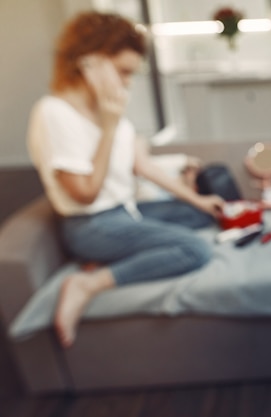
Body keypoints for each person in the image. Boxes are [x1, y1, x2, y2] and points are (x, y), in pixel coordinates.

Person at [27, 11, 224, 348]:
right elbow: (86, 194)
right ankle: (87, 283)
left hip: (126, 211)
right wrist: (108, 125)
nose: (128, 83)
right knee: (195, 249)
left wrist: (198, 200)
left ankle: (118, 254)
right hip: (91, 225)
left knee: (203, 215)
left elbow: (143, 166)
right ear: (88, 63)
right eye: (123, 72)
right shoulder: (53, 113)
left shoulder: (110, 110)